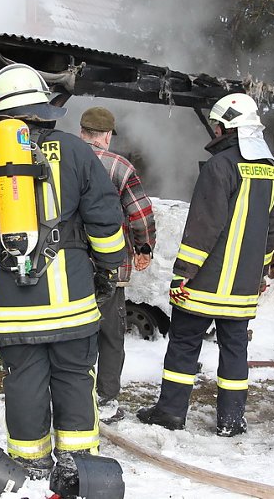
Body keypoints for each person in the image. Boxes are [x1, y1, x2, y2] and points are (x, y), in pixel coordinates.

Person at [0, 63, 126, 481]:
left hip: (7, 305)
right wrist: (106, 271)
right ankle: (78, 465)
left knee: (23, 379)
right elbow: (105, 221)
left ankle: (29, 461)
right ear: (43, 108)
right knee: (75, 377)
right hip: (71, 300)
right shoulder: (75, 151)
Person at [137, 93, 274, 437]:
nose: (214, 130)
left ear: (227, 127)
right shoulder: (271, 172)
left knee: (184, 344)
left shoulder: (220, 166)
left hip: (205, 284)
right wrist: (260, 274)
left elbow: (204, 226)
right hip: (242, 288)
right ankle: (231, 421)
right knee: (235, 350)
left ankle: (170, 413)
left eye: (217, 125)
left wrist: (182, 274)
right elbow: (272, 230)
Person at [79, 107, 156, 422]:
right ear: (107, 135)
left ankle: (73, 397)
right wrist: (144, 247)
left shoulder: (58, 160)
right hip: (108, 267)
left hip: (63, 268)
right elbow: (140, 213)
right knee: (110, 335)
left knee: (73, 334)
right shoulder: (119, 167)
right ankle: (106, 400)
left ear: (82, 132)